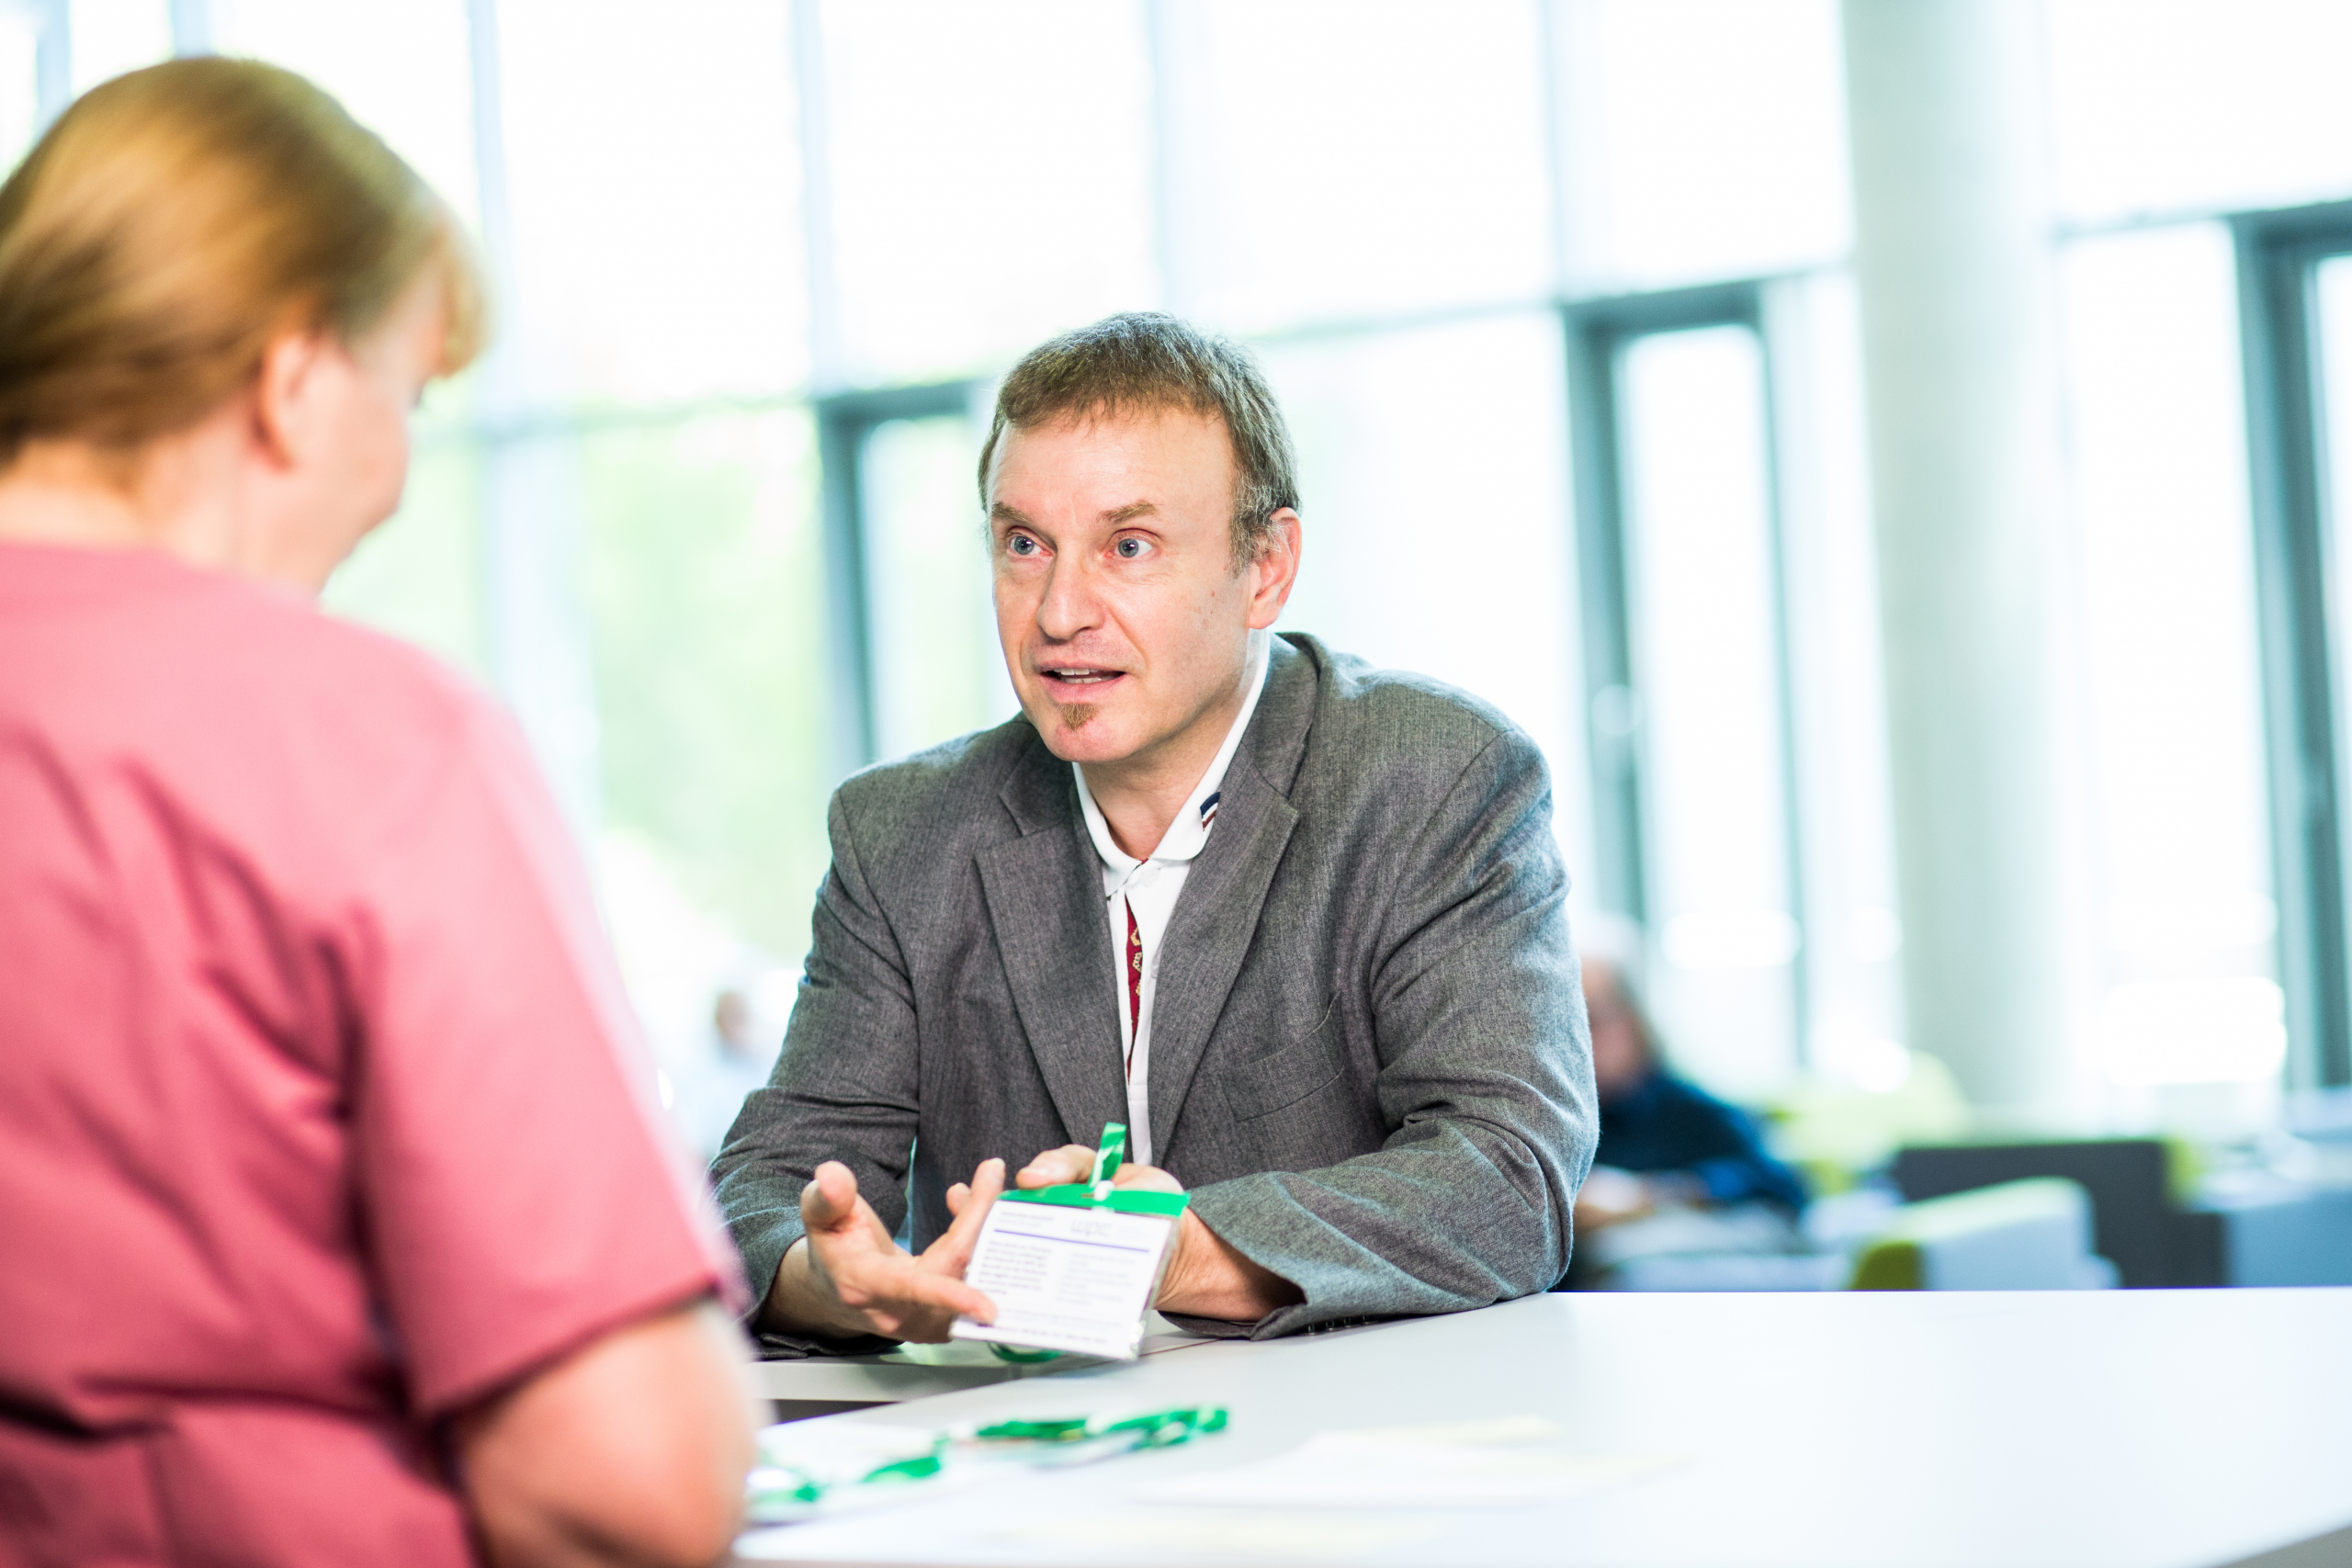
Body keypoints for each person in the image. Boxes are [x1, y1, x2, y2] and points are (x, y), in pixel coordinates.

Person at [0, 61, 757, 1568]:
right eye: (404, 396)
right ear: (291, 378)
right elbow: (625, 1480)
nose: (403, 472)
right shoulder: (354, 734)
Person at [713, 312, 1596, 1349]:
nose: (1057, 612)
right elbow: (769, 1187)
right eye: (1023, 544)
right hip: (1027, 1459)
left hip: (1360, 1439)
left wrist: (1177, 1250)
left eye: (1127, 546)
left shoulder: (1433, 779)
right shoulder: (903, 831)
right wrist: (834, 1280)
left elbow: (1505, 1176)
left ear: (1263, 567)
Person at [1566, 953, 1810, 1286]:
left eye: (1592, 1018)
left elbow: (1781, 1186)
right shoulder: (1551, 1123)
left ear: (1633, 1021)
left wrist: (1647, 1196)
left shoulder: (1685, 1108)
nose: (1574, 1039)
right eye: (1561, 1022)